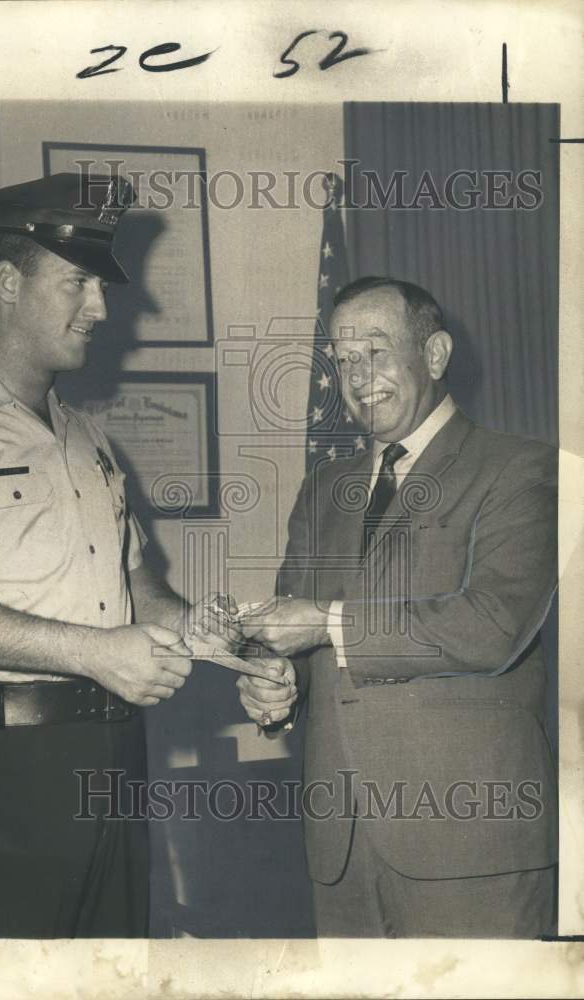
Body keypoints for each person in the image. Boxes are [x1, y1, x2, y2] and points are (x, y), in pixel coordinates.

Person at [0, 172, 251, 938]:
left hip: (112, 760)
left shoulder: (89, 440)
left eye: (99, 288)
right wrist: (96, 653)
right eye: (77, 284)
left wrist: (221, 642)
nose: (99, 309)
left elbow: (140, 593)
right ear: (9, 281)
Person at [237, 276, 558, 938]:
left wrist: (325, 624)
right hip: (341, 845)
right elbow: (291, 637)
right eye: (343, 359)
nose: (358, 377)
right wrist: (272, 684)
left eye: (376, 352)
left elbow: (492, 625)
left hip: (471, 844)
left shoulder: (523, 470)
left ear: (434, 355)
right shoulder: (323, 490)